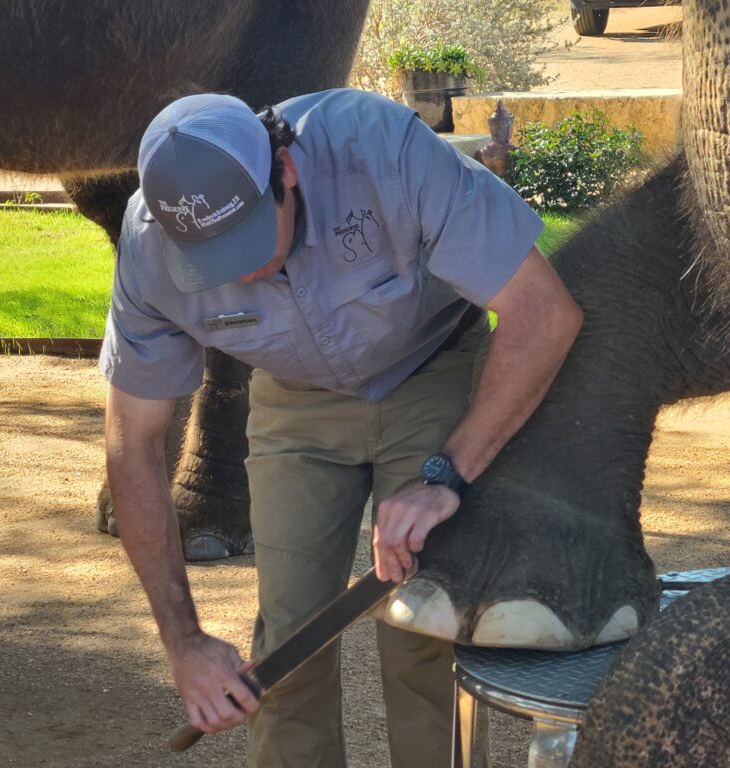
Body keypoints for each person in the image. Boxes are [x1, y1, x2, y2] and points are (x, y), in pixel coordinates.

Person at [99, 89, 582, 768]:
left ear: (285, 169)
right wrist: (184, 643)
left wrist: (446, 477)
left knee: (423, 628)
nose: (240, 272)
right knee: (287, 644)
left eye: (246, 239)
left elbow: (544, 312)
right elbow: (133, 446)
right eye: (213, 259)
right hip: (294, 399)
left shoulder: (380, 148)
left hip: (433, 367)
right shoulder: (149, 247)